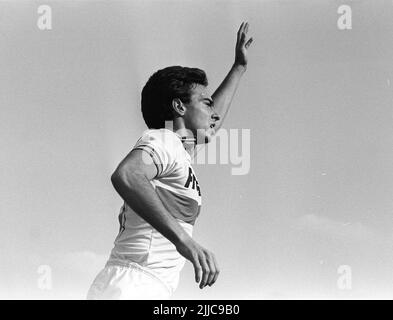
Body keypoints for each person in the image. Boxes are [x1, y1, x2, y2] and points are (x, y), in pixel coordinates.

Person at [87, 22, 253, 300]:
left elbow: (213, 121)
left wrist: (239, 68)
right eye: (206, 103)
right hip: (133, 284)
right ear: (178, 106)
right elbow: (126, 175)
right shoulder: (164, 140)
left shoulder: (178, 153)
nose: (214, 113)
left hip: (140, 284)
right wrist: (184, 241)